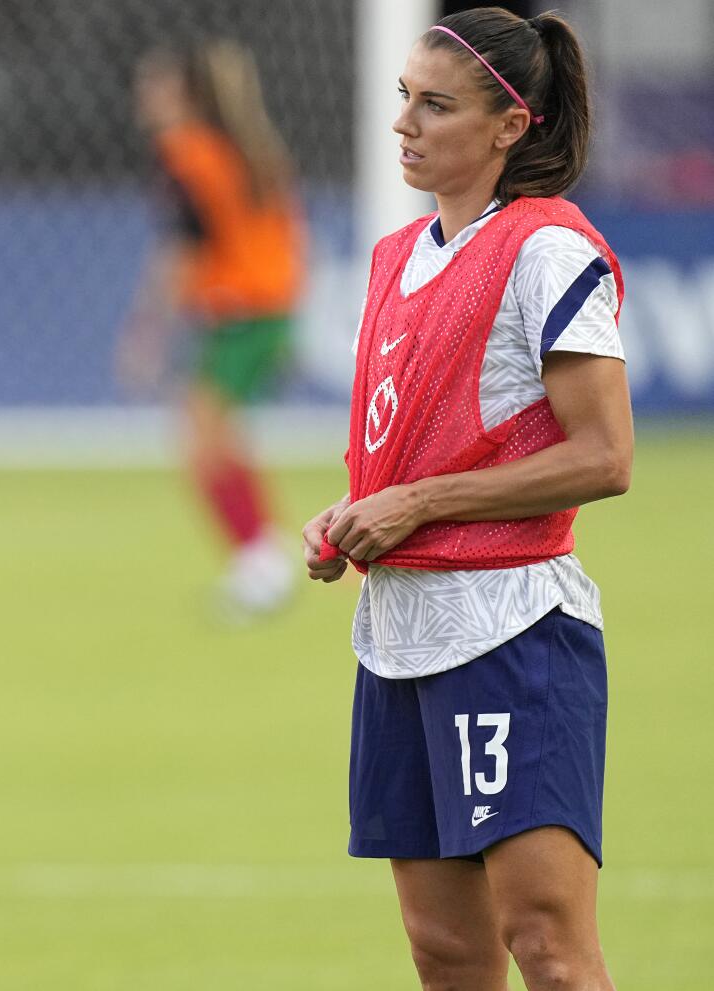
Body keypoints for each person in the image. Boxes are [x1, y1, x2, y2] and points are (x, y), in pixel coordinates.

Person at [301, 8, 630, 989]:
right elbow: (414, 449)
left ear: (508, 125)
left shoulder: (546, 251)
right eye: (404, 96)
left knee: (549, 948)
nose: (404, 123)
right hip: (398, 634)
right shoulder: (394, 260)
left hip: (513, 632)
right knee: (445, 954)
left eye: (435, 104)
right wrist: (353, 513)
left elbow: (604, 456)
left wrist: (418, 503)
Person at [117, 41, 306, 616]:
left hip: (242, 314)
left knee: (201, 444)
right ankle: (261, 559)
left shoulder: (186, 154)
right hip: (268, 309)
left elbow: (184, 250)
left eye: (156, 85)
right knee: (218, 440)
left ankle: (260, 563)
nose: (144, 96)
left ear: (186, 95)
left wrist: (146, 331)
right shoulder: (244, 148)